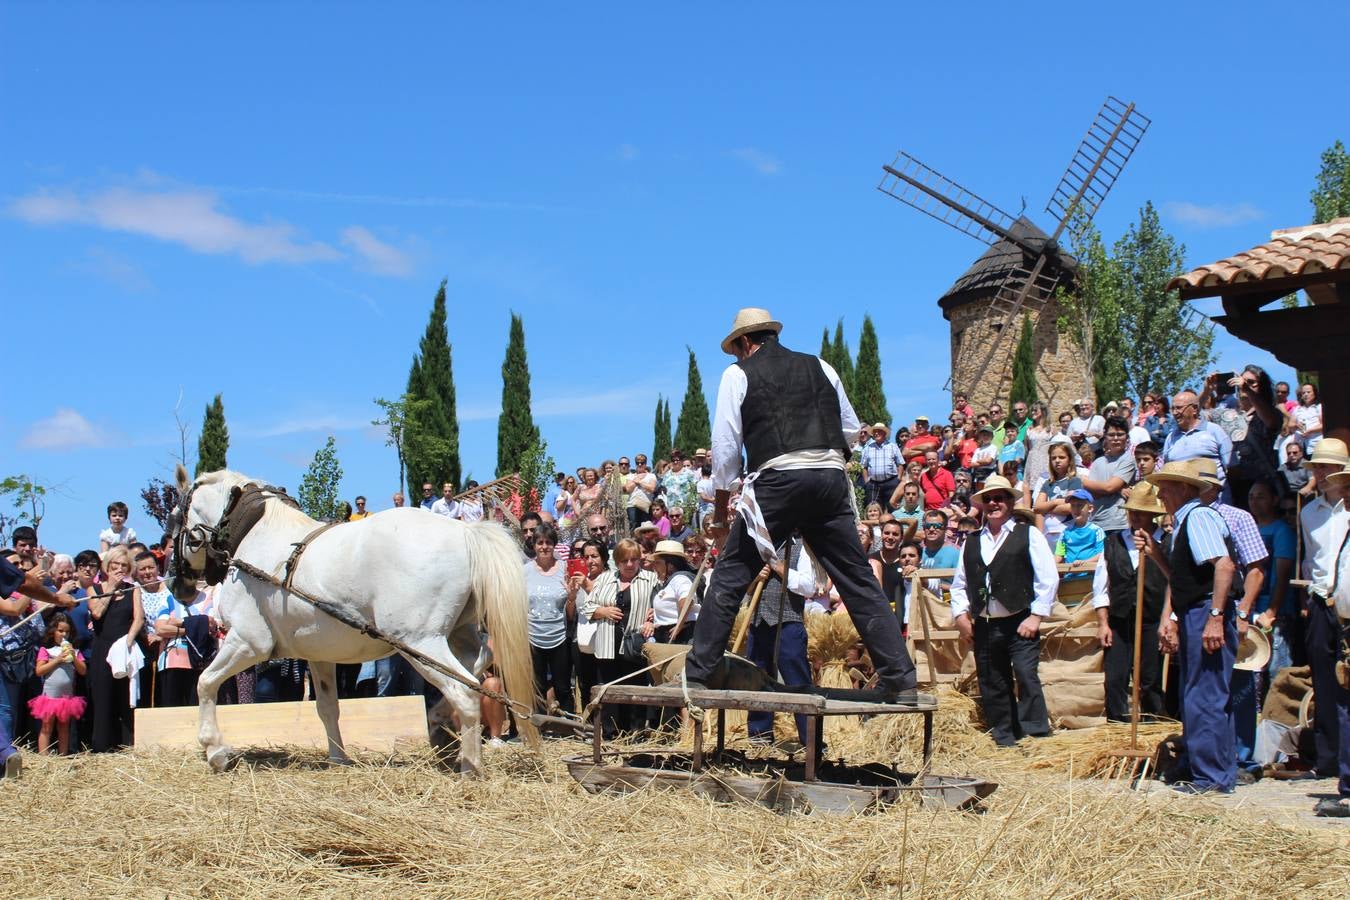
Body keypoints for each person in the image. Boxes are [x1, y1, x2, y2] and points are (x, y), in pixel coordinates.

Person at [685, 308, 916, 696]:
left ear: (744, 341)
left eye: (736, 350)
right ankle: (900, 678)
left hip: (777, 479)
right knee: (857, 578)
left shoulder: (737, 374)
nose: (736, 357)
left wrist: (723, 515)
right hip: (828, 479)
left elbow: (725, 451)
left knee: (730, 574)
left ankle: (698, 672)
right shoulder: (821, 366)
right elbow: (849, 431)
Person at [1138, 461, 1239, 794]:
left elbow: (1223, 566)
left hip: (1204, 613)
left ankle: (1211, 778)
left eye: (1165, 487)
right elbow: (1184, 580)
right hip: (1196, 611)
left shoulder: (1197, 518)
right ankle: (1213, 770)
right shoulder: (1186, 523)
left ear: (1183, 489)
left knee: (1205, 696)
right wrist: (1156, 555)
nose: (1161, 495)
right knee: (1201, 693)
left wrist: (1214, 615)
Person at [949, 474, 1057, 746]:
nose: (994, 503)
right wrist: (961, 616)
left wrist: (1036, 616)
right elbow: (960, 583)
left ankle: (1035, 735)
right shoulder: (971, 540)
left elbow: (1048, 577)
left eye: (999, 498)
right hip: (985, 623)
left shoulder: (1028, 534)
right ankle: (1005, 737)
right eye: (989, 499)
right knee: (992, 680)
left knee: (1024, 673)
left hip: (1020, 619)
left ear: (1010, 502)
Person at [1090, 482, 1168, 723]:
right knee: (1115, 677)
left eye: (1141, 511)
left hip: (1153, 620)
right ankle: (1117, 726)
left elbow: (1175, 584)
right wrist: (1103, 623)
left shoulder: (1166, 542)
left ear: (1153, 515)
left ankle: (1152, 726)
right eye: (1131, 510)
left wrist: (1170, 621)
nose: (1134, 516)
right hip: (1120, 620)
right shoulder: (1113, 543)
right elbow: (1101, 587)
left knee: (1150, 679)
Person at [0, 550, 77, 776]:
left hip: (22, 658)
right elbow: (17, 599)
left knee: (5, 710)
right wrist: (55, 596)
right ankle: (5, 753)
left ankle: (6, 755)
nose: (17, 568)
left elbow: (24, 583)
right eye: (12, 565)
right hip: (8, 655)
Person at [1299, 438, 1349, 779]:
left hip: (1347, 603)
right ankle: (1328, 758)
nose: (1320, 472)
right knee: (1323, 681)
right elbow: (1310, 561)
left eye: (1326, 466)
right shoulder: (1307, 512)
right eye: (1317, 466)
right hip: (1319, 600)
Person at [579, 539, 658, 735]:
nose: (629, 564)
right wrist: (602, 611)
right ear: (617, 561)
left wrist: (652, 619)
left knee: (634, 691)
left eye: (634, 560)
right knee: (609, 690)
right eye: (624, 560)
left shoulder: (651, 579)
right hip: (607, 644)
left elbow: (662, 607)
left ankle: (635, 733)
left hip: (634, 646)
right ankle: (610, 734)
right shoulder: (606, 579)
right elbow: (587, 606)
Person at [747, 536, 814, 747]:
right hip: (759, 622)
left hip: (788, 623)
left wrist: (777, 566)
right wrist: (755, 578)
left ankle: (810, 740)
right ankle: (759, 737)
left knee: (798, 683)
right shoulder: (755, 547)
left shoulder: (801, 547)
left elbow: (807, 586)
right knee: (757, 682)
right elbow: (745, 589)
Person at [86, 546, 144, 752]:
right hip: (102, 649)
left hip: (125, 649)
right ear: (107, 566)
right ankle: (101, 747)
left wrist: (129, 640)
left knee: (125, 698)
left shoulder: (133, 588)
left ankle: (127, 746)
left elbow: (139, 618)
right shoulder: (94, 589)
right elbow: (97, 613)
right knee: (102, 698)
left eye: (123, 566)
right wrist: (111, 587)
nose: (119, 569)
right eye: (115, 565)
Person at [524, 524, 574, 715]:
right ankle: (538, 727)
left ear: (554, 545)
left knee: (562, 686)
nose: (544, 547)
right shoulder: (525, 571)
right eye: (540, 542)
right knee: (537, 686)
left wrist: (571, 598)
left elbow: (571, 610)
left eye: (549, 542)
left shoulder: (564, 569)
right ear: (534, 545)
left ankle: (568, 727)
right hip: (533, 636)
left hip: (559, 636)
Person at [29, 613, 87, 755]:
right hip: (49, 697)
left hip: (66, 698)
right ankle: (44, 756)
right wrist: (57, 660)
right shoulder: (47, 651)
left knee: (64, 727)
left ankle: (62, 755)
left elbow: (83, 671)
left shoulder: (75, 651)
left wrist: (73, 657)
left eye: (67, 632)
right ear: (53, 631)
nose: (64, 635)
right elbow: (39, 671)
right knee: (47, 726)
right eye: (60, 631)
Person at [1161, 390, 1233, 486]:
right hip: (1183, 499)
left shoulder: (1214, 430)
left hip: (1214, 499)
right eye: (1172, 409)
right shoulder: (1170, 438)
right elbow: (1167, 469)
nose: (1174, 412)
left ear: (1194, 409)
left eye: (1179, 408)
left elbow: (1232, 467)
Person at [650, 540, 699, 643]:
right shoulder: (670, 582)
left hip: (682, 638)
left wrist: (679, 626)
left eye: (657, 563)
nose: (654, 566)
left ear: (671, 565)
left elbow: (687, 600)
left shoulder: (680, 578)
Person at [1056, 489, 1105, 578]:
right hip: (1069, 577)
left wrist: (1085, 562)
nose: (1076, 509)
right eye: (1073, 505)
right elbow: (1059, 555)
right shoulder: (1065, 532)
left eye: (1080, 505)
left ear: (1090, 508)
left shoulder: (1096, 530)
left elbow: (1102, 554)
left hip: (1090, 577)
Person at [862, 422, 903, 510]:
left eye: (878, 431)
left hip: (891, 482)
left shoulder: (893, 446)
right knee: (873, 509)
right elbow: (864, 467)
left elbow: (900, 464)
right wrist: (866, 481)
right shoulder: (868, 448)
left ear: (884, 433)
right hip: (873, 484)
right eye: (874, 432)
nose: (876, 433)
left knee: (893, 508)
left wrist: (898, 479)